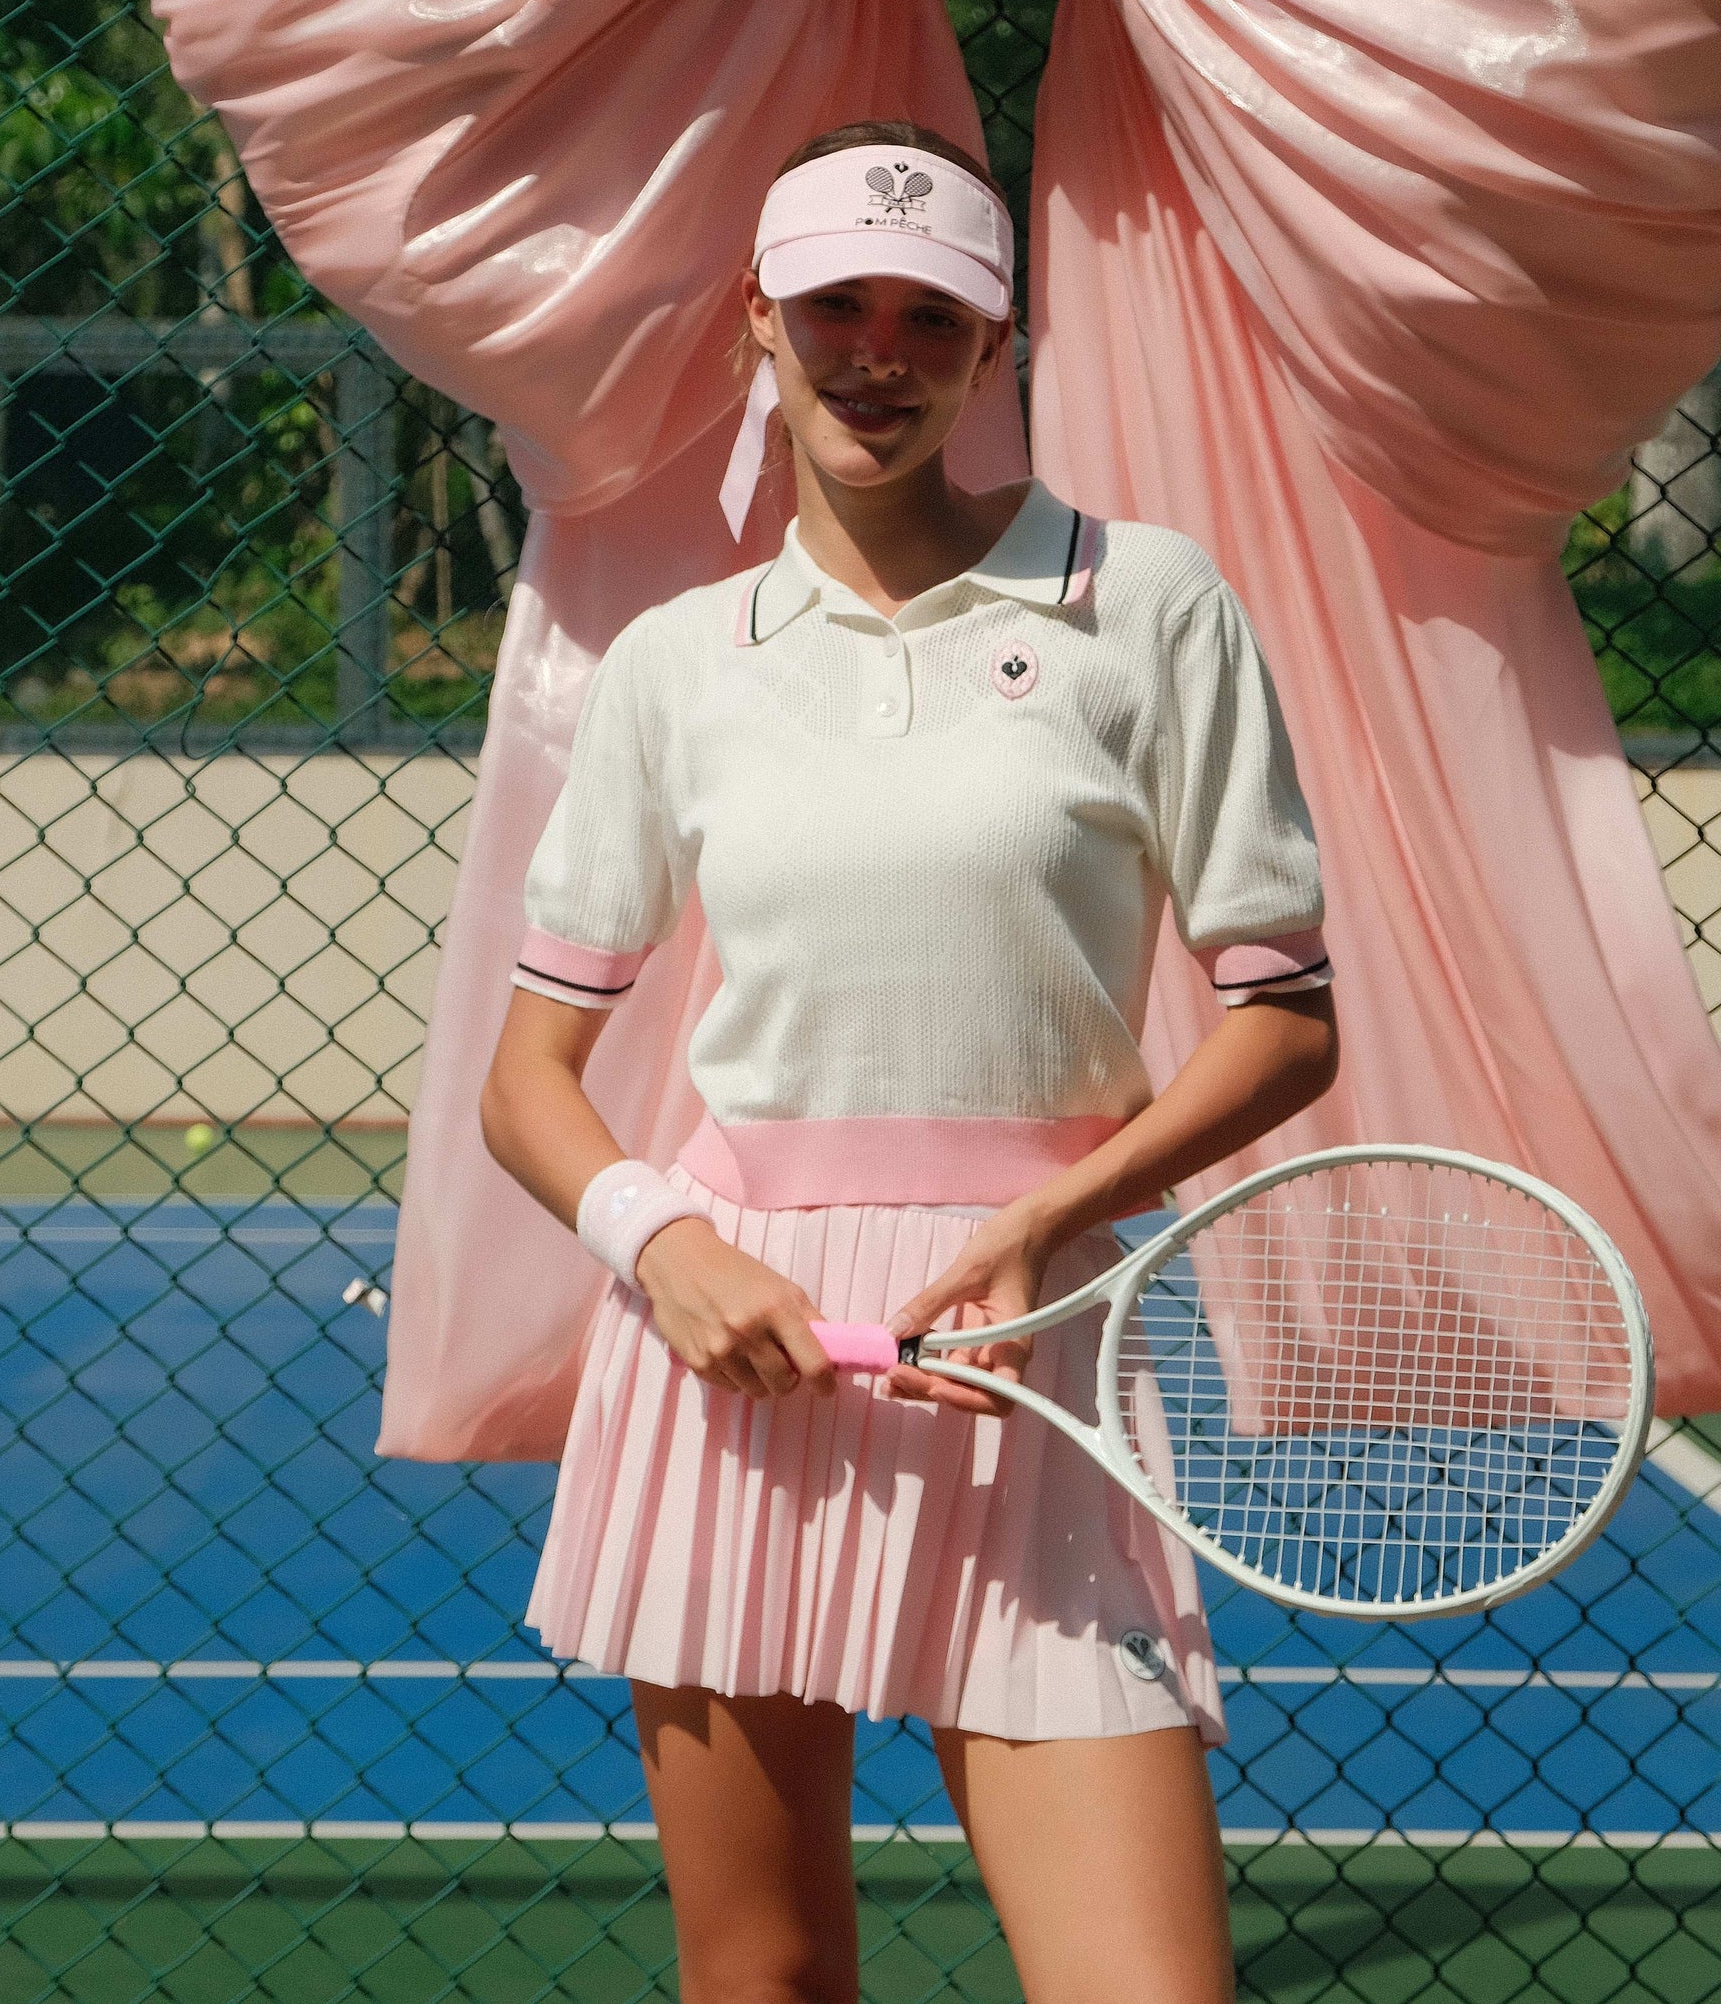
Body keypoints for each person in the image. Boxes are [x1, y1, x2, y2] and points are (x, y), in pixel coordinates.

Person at [480, 120, 1340, 2004]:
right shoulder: (678, 663)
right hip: (731, 1357)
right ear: (757, 331)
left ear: (990, 346)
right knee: (767, 1976)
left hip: (1031, 1354)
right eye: (835, 307)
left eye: (929, 314)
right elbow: (528, 1079)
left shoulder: (1150, 603)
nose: (877, 350)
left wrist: (1056, 1221)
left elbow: (1288, 1019)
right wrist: (665, 1247)